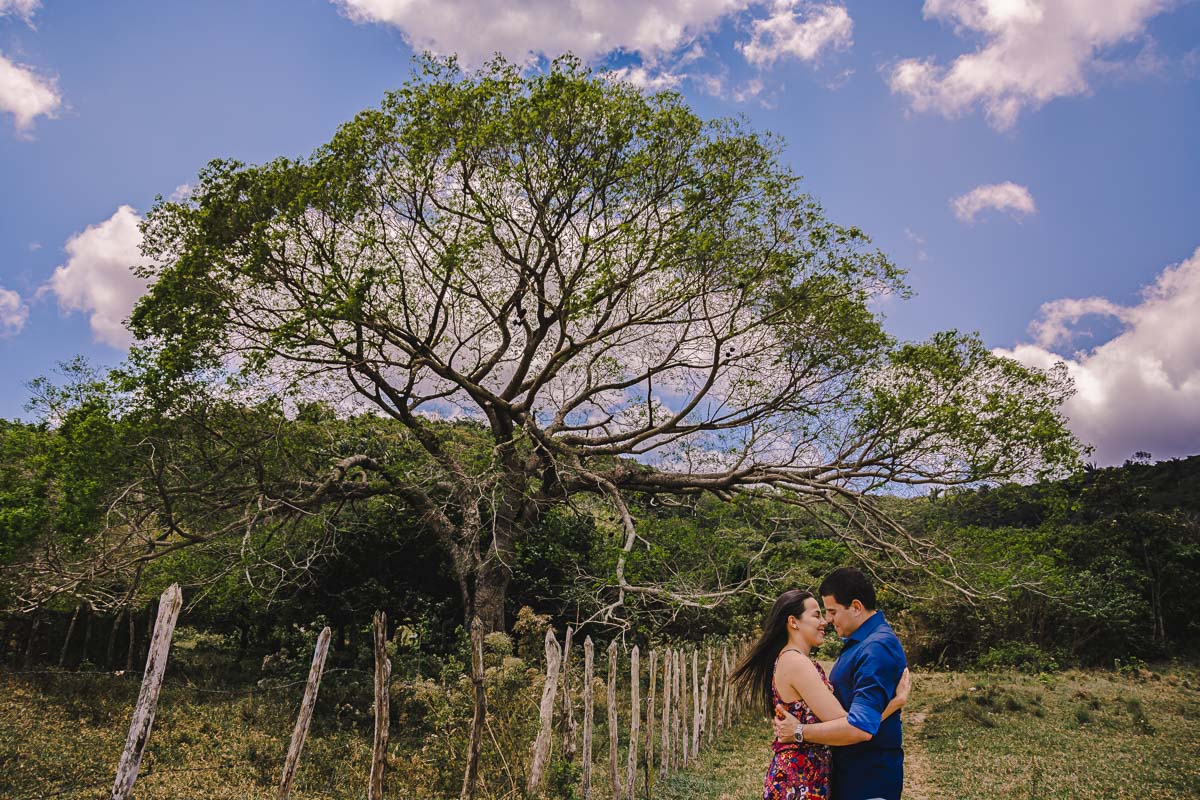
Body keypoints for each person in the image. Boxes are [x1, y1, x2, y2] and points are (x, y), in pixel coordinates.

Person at [732, 588, 909, 800]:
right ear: (793, 622)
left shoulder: (797, 660)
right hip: (799, 781)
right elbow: (850, 725)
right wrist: (895, 702)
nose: (824, 621)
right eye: (816, 615)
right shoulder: (795, 662)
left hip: (806, 778)